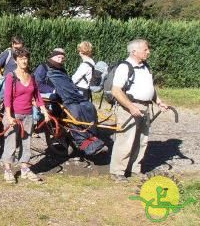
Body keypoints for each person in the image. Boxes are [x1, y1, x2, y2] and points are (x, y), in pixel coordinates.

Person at [109, 39, 168, 183]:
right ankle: (117, 172)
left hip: (145, 107)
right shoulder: (124, 67)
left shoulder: (145, 66)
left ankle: (134, 169)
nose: (148, 52)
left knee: (142, 140)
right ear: (134, 51)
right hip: (129, 108)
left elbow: (150, 88)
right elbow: (116, 91)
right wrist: (130, 107)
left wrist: (158, 101)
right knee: (126, 141)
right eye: (145, 49)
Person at [44, 48, 107, 156]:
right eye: (58, 57)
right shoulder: (44, 68)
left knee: (89, 106)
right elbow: (37, 83)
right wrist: (52, 91)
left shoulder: (61, 70)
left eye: (62, 58)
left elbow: (69, 83)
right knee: (75, 112)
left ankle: (92, 137)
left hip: (73, 95)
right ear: (52, 57)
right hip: (61, 98)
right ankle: (84, 143)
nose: (60, 60)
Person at [1, 48, 48, 184]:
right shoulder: (11, 76)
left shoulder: (31, 76)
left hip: (28, 115)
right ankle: (8, 170)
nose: (24, 61)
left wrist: (44, 111)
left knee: (26, 144)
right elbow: (7, 98)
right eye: (21, 58)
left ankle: (25, 169)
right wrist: (9, 116)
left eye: (26, 58)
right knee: (10, 143)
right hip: (14, 115)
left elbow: (37, 96)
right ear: (16, 60)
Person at [0, 36, 24, 102]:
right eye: (16, 48)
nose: (17, 50)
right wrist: (1, 78)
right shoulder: (8, 53)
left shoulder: (23, 54)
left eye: (20, 48)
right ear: (12, 44)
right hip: (7, 82)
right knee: (2, 101)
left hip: (20, 82)